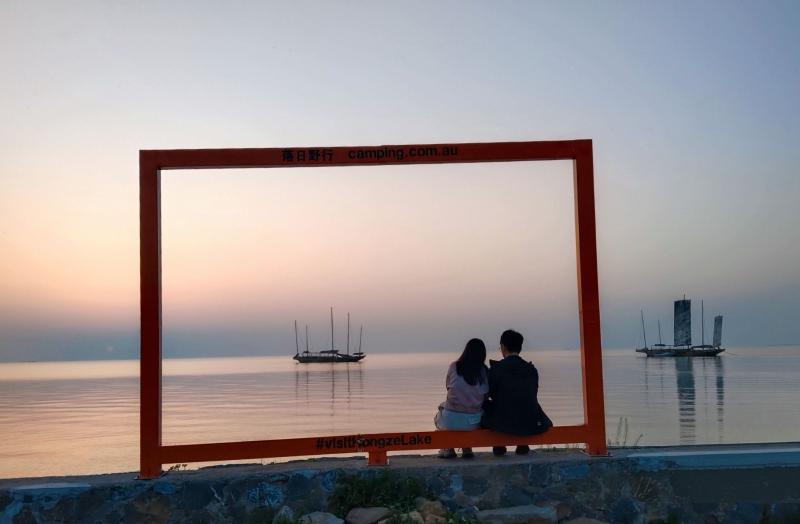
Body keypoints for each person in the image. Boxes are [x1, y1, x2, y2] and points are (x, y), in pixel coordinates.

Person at [481, 329, 552, 456]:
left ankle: (498, 444)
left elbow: (488, 394)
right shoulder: (531, 369)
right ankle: (522, 443)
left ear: (503, 347)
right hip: (530, 418)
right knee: (524, 403)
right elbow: (532, 393)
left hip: (503, 419)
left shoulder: (496, 369)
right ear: (520, 348)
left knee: (487, 405)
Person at [434, 338, 489, 459]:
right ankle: (466, 448)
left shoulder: (454, 366)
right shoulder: (483, 370)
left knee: (440, 412)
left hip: (450, 421)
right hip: (473, 423)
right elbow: (485, 396)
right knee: (474, 414)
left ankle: (448, 448)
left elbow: (448, 387)